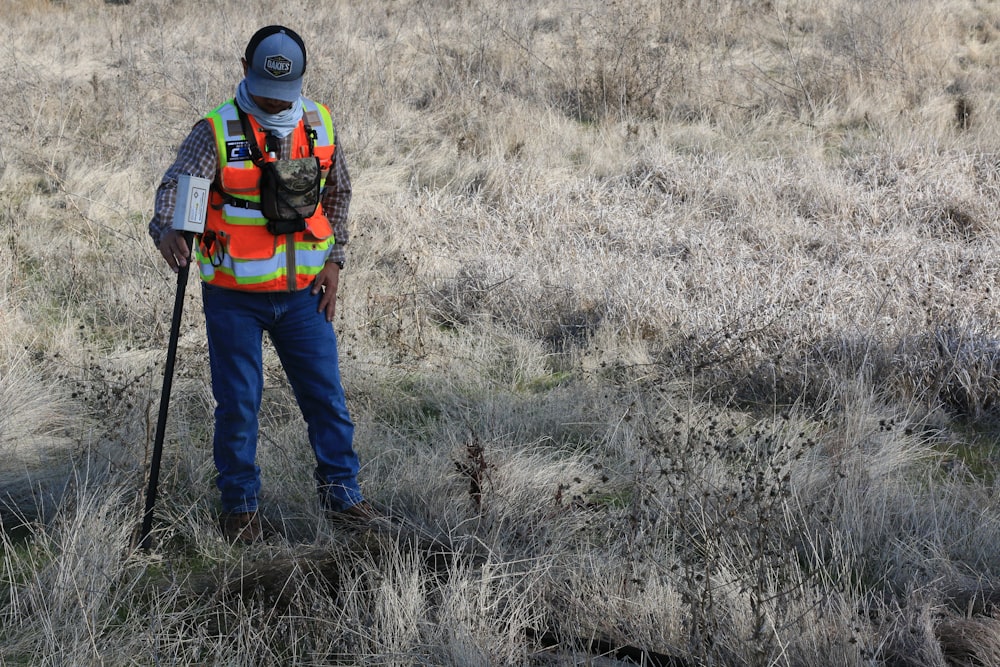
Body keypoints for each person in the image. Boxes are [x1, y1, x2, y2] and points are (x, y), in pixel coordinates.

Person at [149, 25, 375, 543]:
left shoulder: (319, 122)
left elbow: (337, 192)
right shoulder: (215, 130)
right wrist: (167, 230)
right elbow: (173, 188)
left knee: (326, 398)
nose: (276, 102)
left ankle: (344, 498)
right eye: (266, 90)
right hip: (234, 297)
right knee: (239, 403)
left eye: (286, 92)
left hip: (303, 295)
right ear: (245, 70)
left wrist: (335, 261)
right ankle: (240, 509)